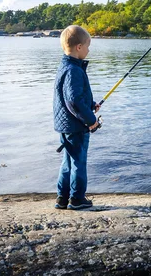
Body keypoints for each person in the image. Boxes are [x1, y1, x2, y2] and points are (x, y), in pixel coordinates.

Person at [53, 25, 100, 210]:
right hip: (76, 125)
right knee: (79, 162)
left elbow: (72, 98)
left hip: (65, 124)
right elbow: (73, 101)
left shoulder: (65, 66)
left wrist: (90, 105)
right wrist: (91, 120)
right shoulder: (74, 70)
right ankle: (77, 199)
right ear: (79, 47)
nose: (89, 50)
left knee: (68, 161)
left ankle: (62, 198)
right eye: (88, 46)